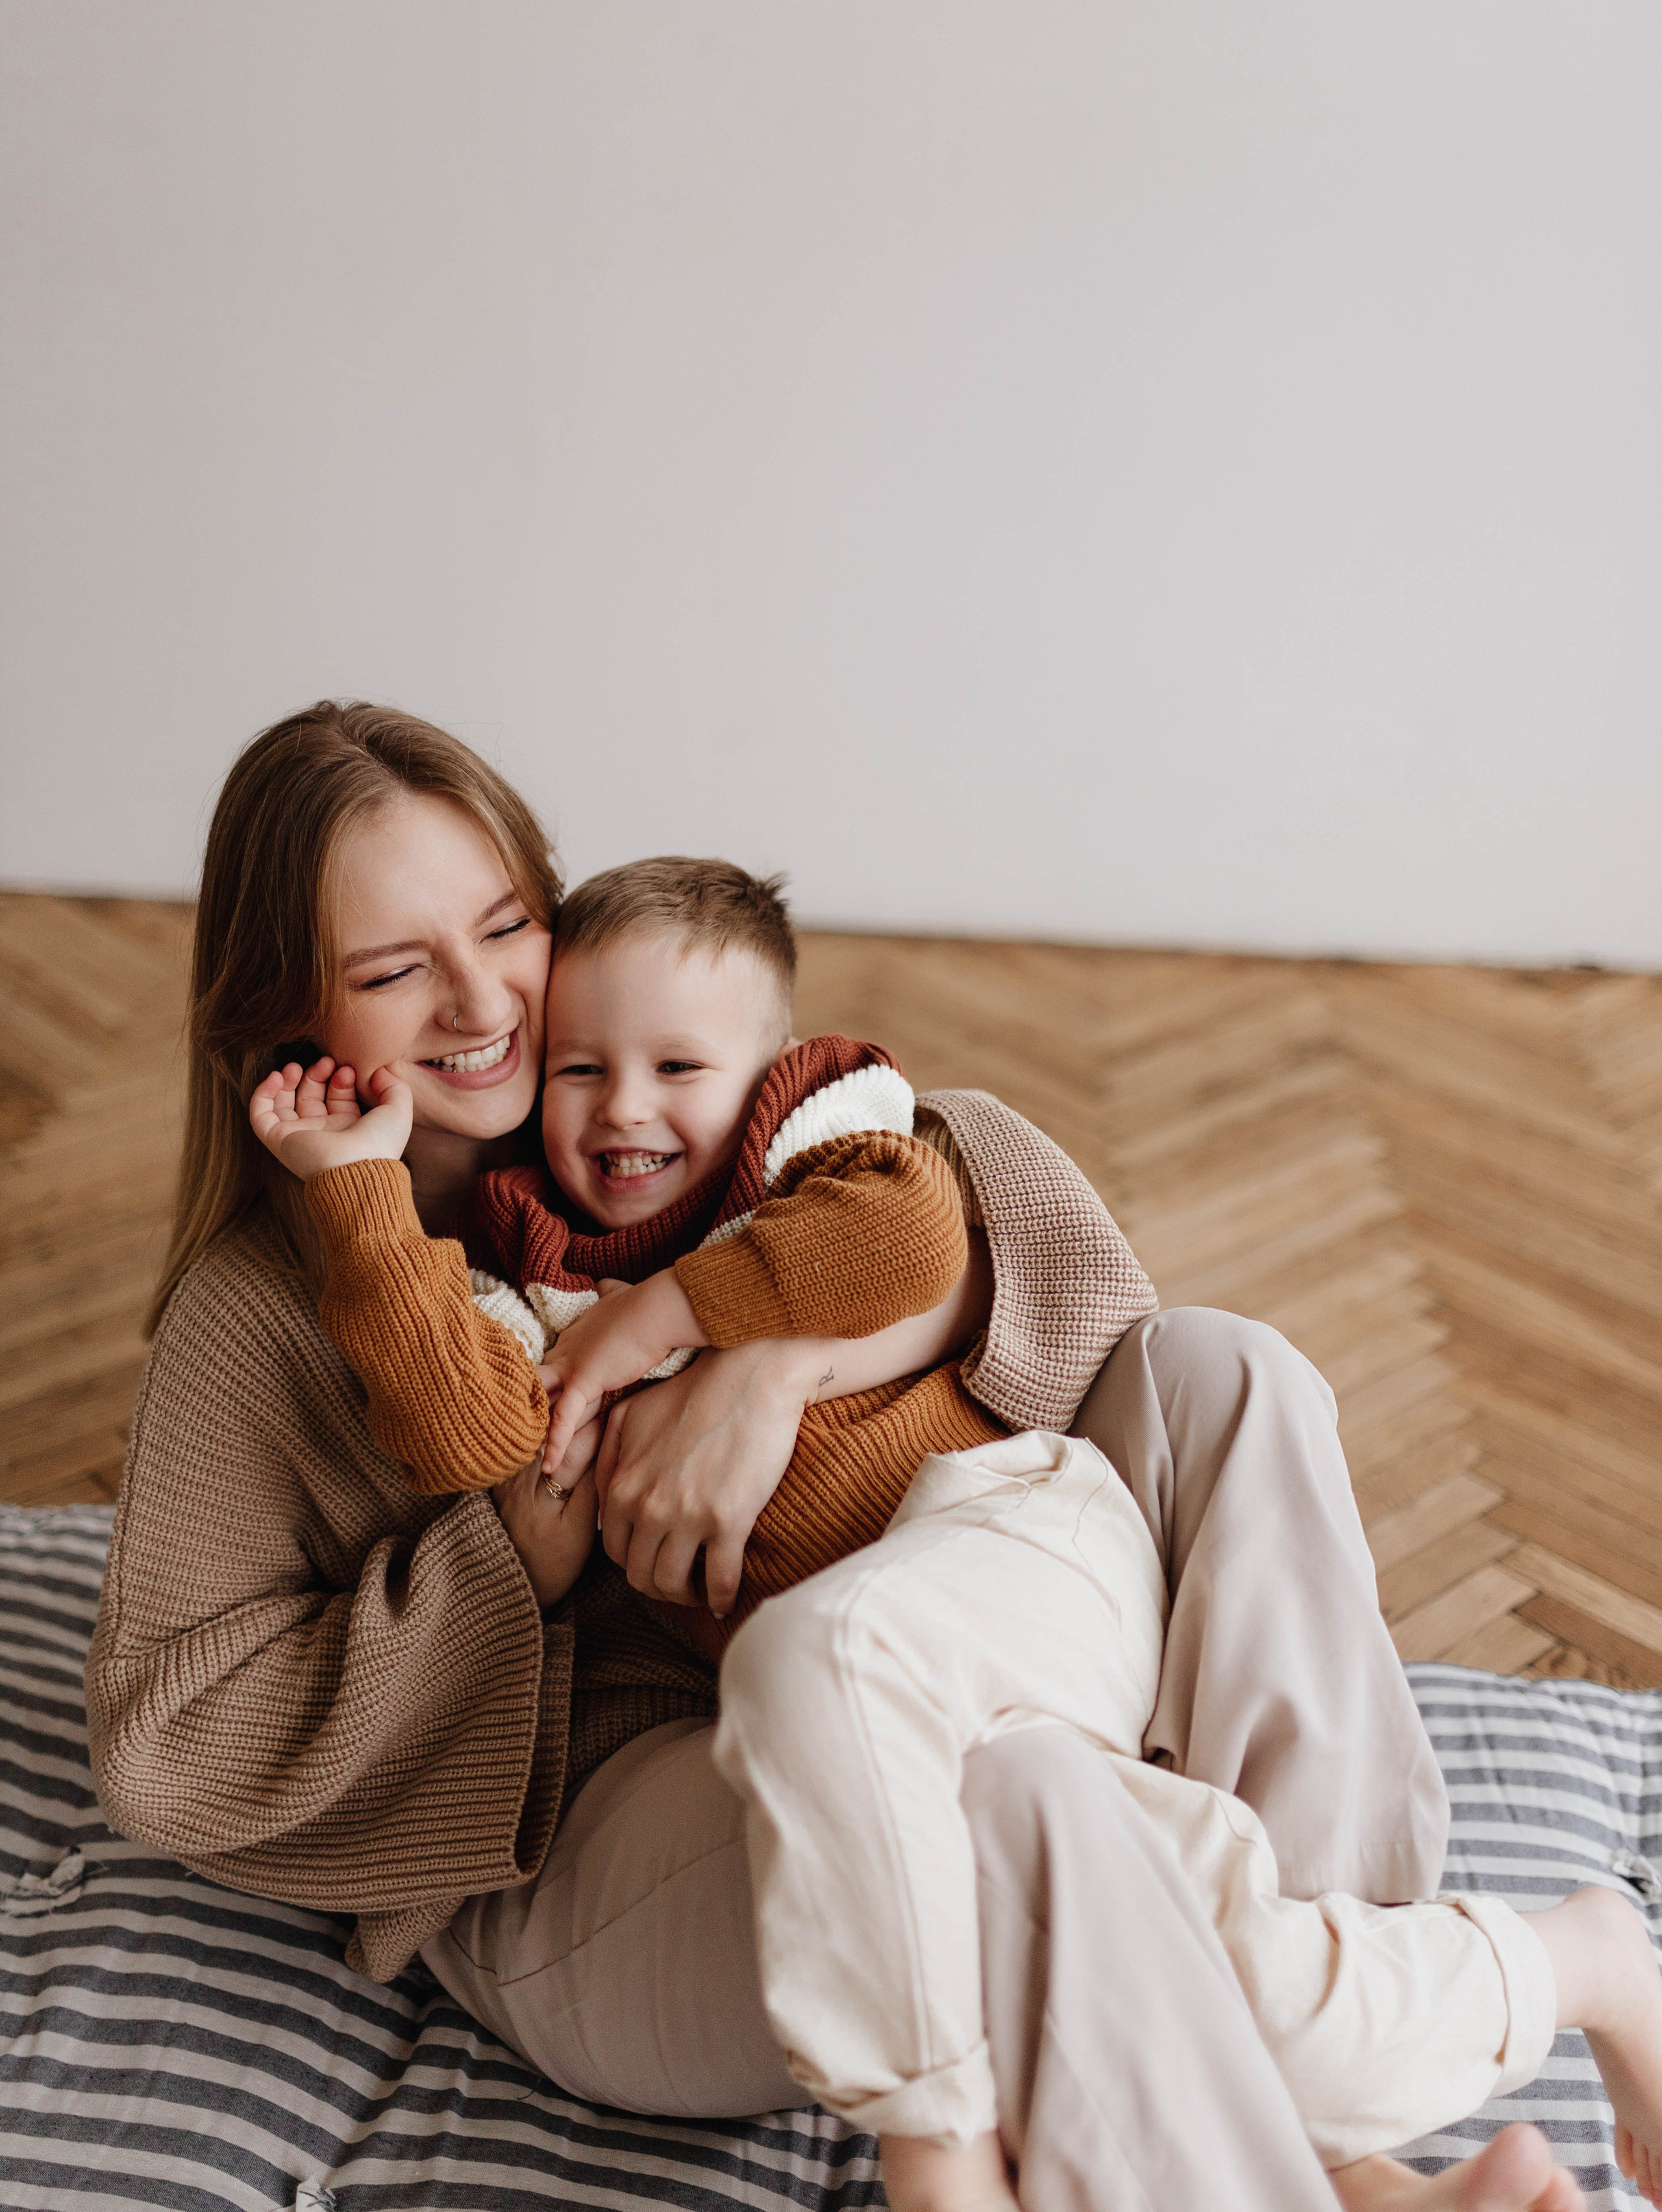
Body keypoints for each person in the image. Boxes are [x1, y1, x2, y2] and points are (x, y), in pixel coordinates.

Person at [82, 700, 1578, 2212]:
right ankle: (1367, 2116)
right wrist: (508, 1566)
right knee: (991, 1789)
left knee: (1224, 1369)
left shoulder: (632, 1089)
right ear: (286, 1015)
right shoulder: (258, 1312)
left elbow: (970, 1198)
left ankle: (1339, 2095)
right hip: (614, 1828)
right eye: (394, 971)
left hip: (893, 1634)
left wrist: (765, 1368)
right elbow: (172, 1734)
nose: (485, 1007)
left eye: (504, 927)